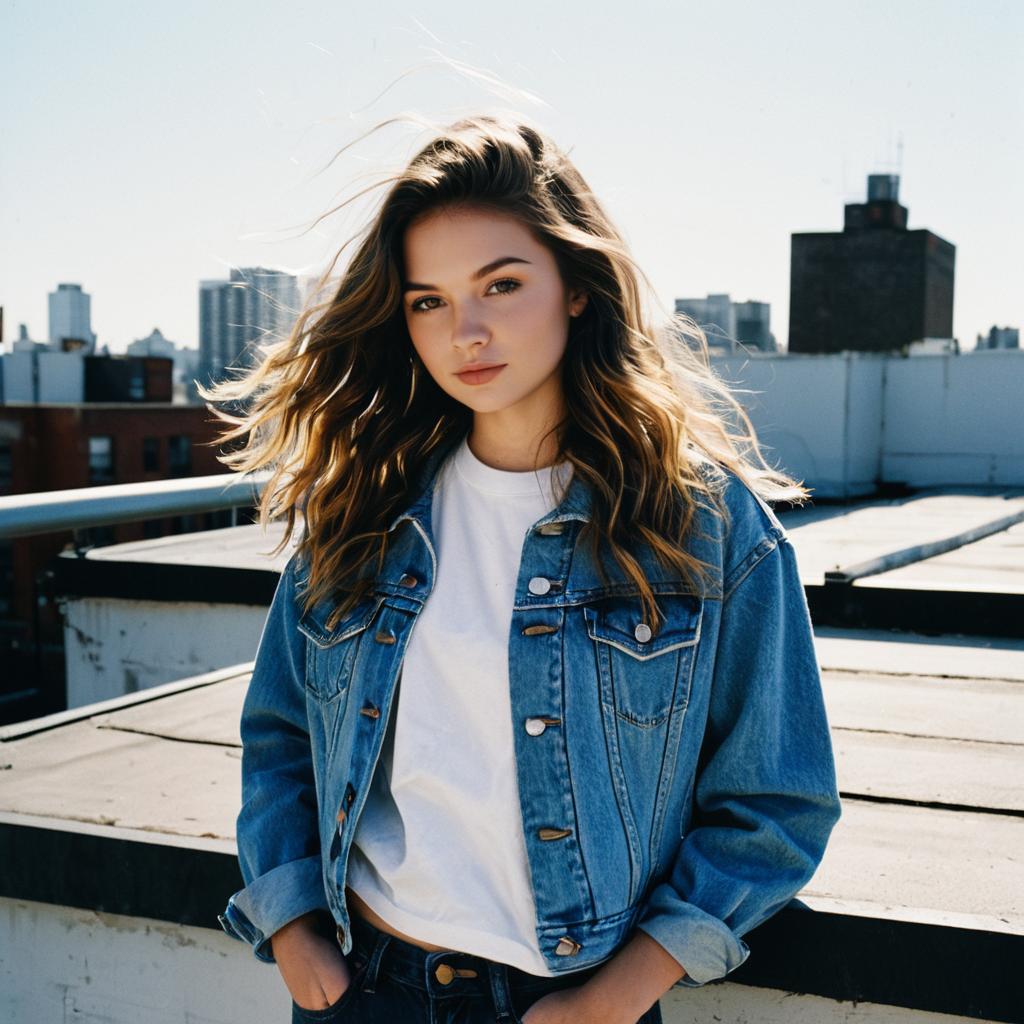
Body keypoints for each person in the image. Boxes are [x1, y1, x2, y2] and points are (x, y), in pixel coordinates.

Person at [208, 113, 842, 1024]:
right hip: (366, 986)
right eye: (428, 300)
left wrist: (615, 1000)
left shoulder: (700, 526)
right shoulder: (365, 514)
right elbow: (280, 737)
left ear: (576, 288)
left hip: (571, 1004)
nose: (465, 330)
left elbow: (777, 802)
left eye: (500, 285)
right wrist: (295, 932)